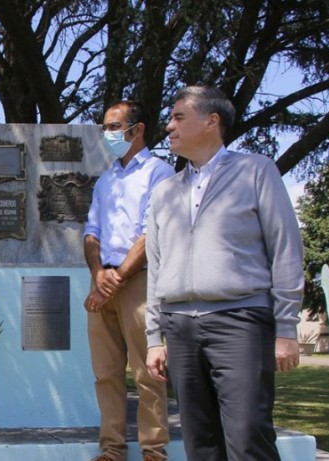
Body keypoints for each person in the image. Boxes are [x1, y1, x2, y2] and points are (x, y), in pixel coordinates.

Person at [145, 86, 303, 461]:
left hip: (241, 322)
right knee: (201, 443)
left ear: (212, 121)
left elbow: (285, 248)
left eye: (179, 117)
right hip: (180, 327)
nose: (169, 127)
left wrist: (286, 328)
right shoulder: (164, 192)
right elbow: (156, 265)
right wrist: (154, 337)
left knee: (248, 436)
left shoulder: (256, 171)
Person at [83, 101, 174, 461]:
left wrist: (117, 278)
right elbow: (91, 233)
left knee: (147, 371)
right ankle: (112, 450)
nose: (108, 135)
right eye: (105, 127)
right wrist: (99, 275)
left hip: (139, 281)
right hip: (103, 282)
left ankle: (154, 451)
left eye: (114, 127)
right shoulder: (106, 180)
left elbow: (151, 234)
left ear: (137, 130)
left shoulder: (159, 172)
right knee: (105, 374)